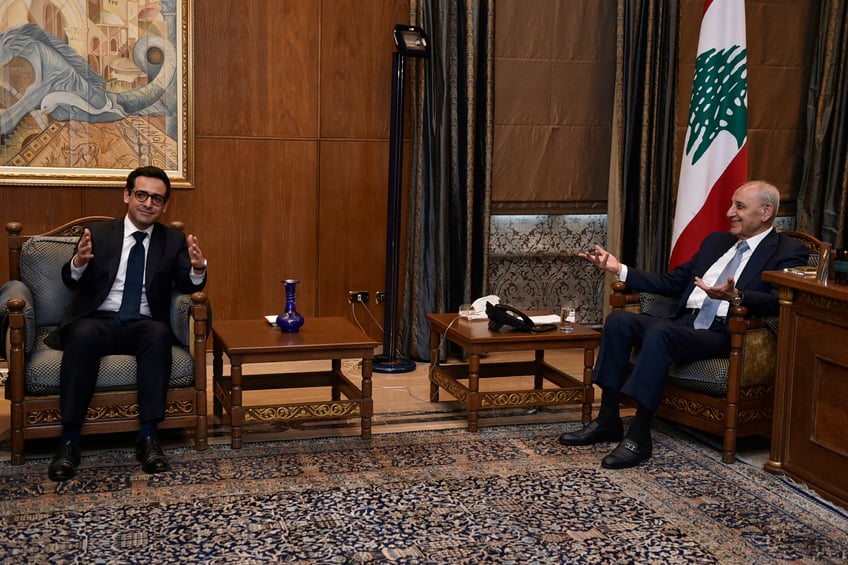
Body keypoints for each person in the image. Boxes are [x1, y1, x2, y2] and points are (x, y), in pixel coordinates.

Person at [558, 180, 809, 469]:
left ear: (766, 212)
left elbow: (780, 301)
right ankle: (608, 420)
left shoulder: (788, 251)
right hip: (683, 320)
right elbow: (674, 282)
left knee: (660, 332)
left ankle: (638, 436)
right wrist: (619, 269)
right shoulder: (717, 242)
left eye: (739, 206)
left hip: (724, 331)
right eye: (731, 205)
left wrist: (737, 295)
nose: (729, 213)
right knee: (618, 322)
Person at [45, 166, 208, 482]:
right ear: (127, 195)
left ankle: (148, 437)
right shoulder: (98, 234)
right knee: (81, 335)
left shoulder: (172, 240)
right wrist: (78, 263)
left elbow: (186, 286)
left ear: (165, 206)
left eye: (157, 199)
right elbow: (71, 280)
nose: (148, 203)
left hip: (143, 324)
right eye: (142, 195)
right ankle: (69, 441)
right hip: (98, 320)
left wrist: (198, 269)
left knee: (158, 335)